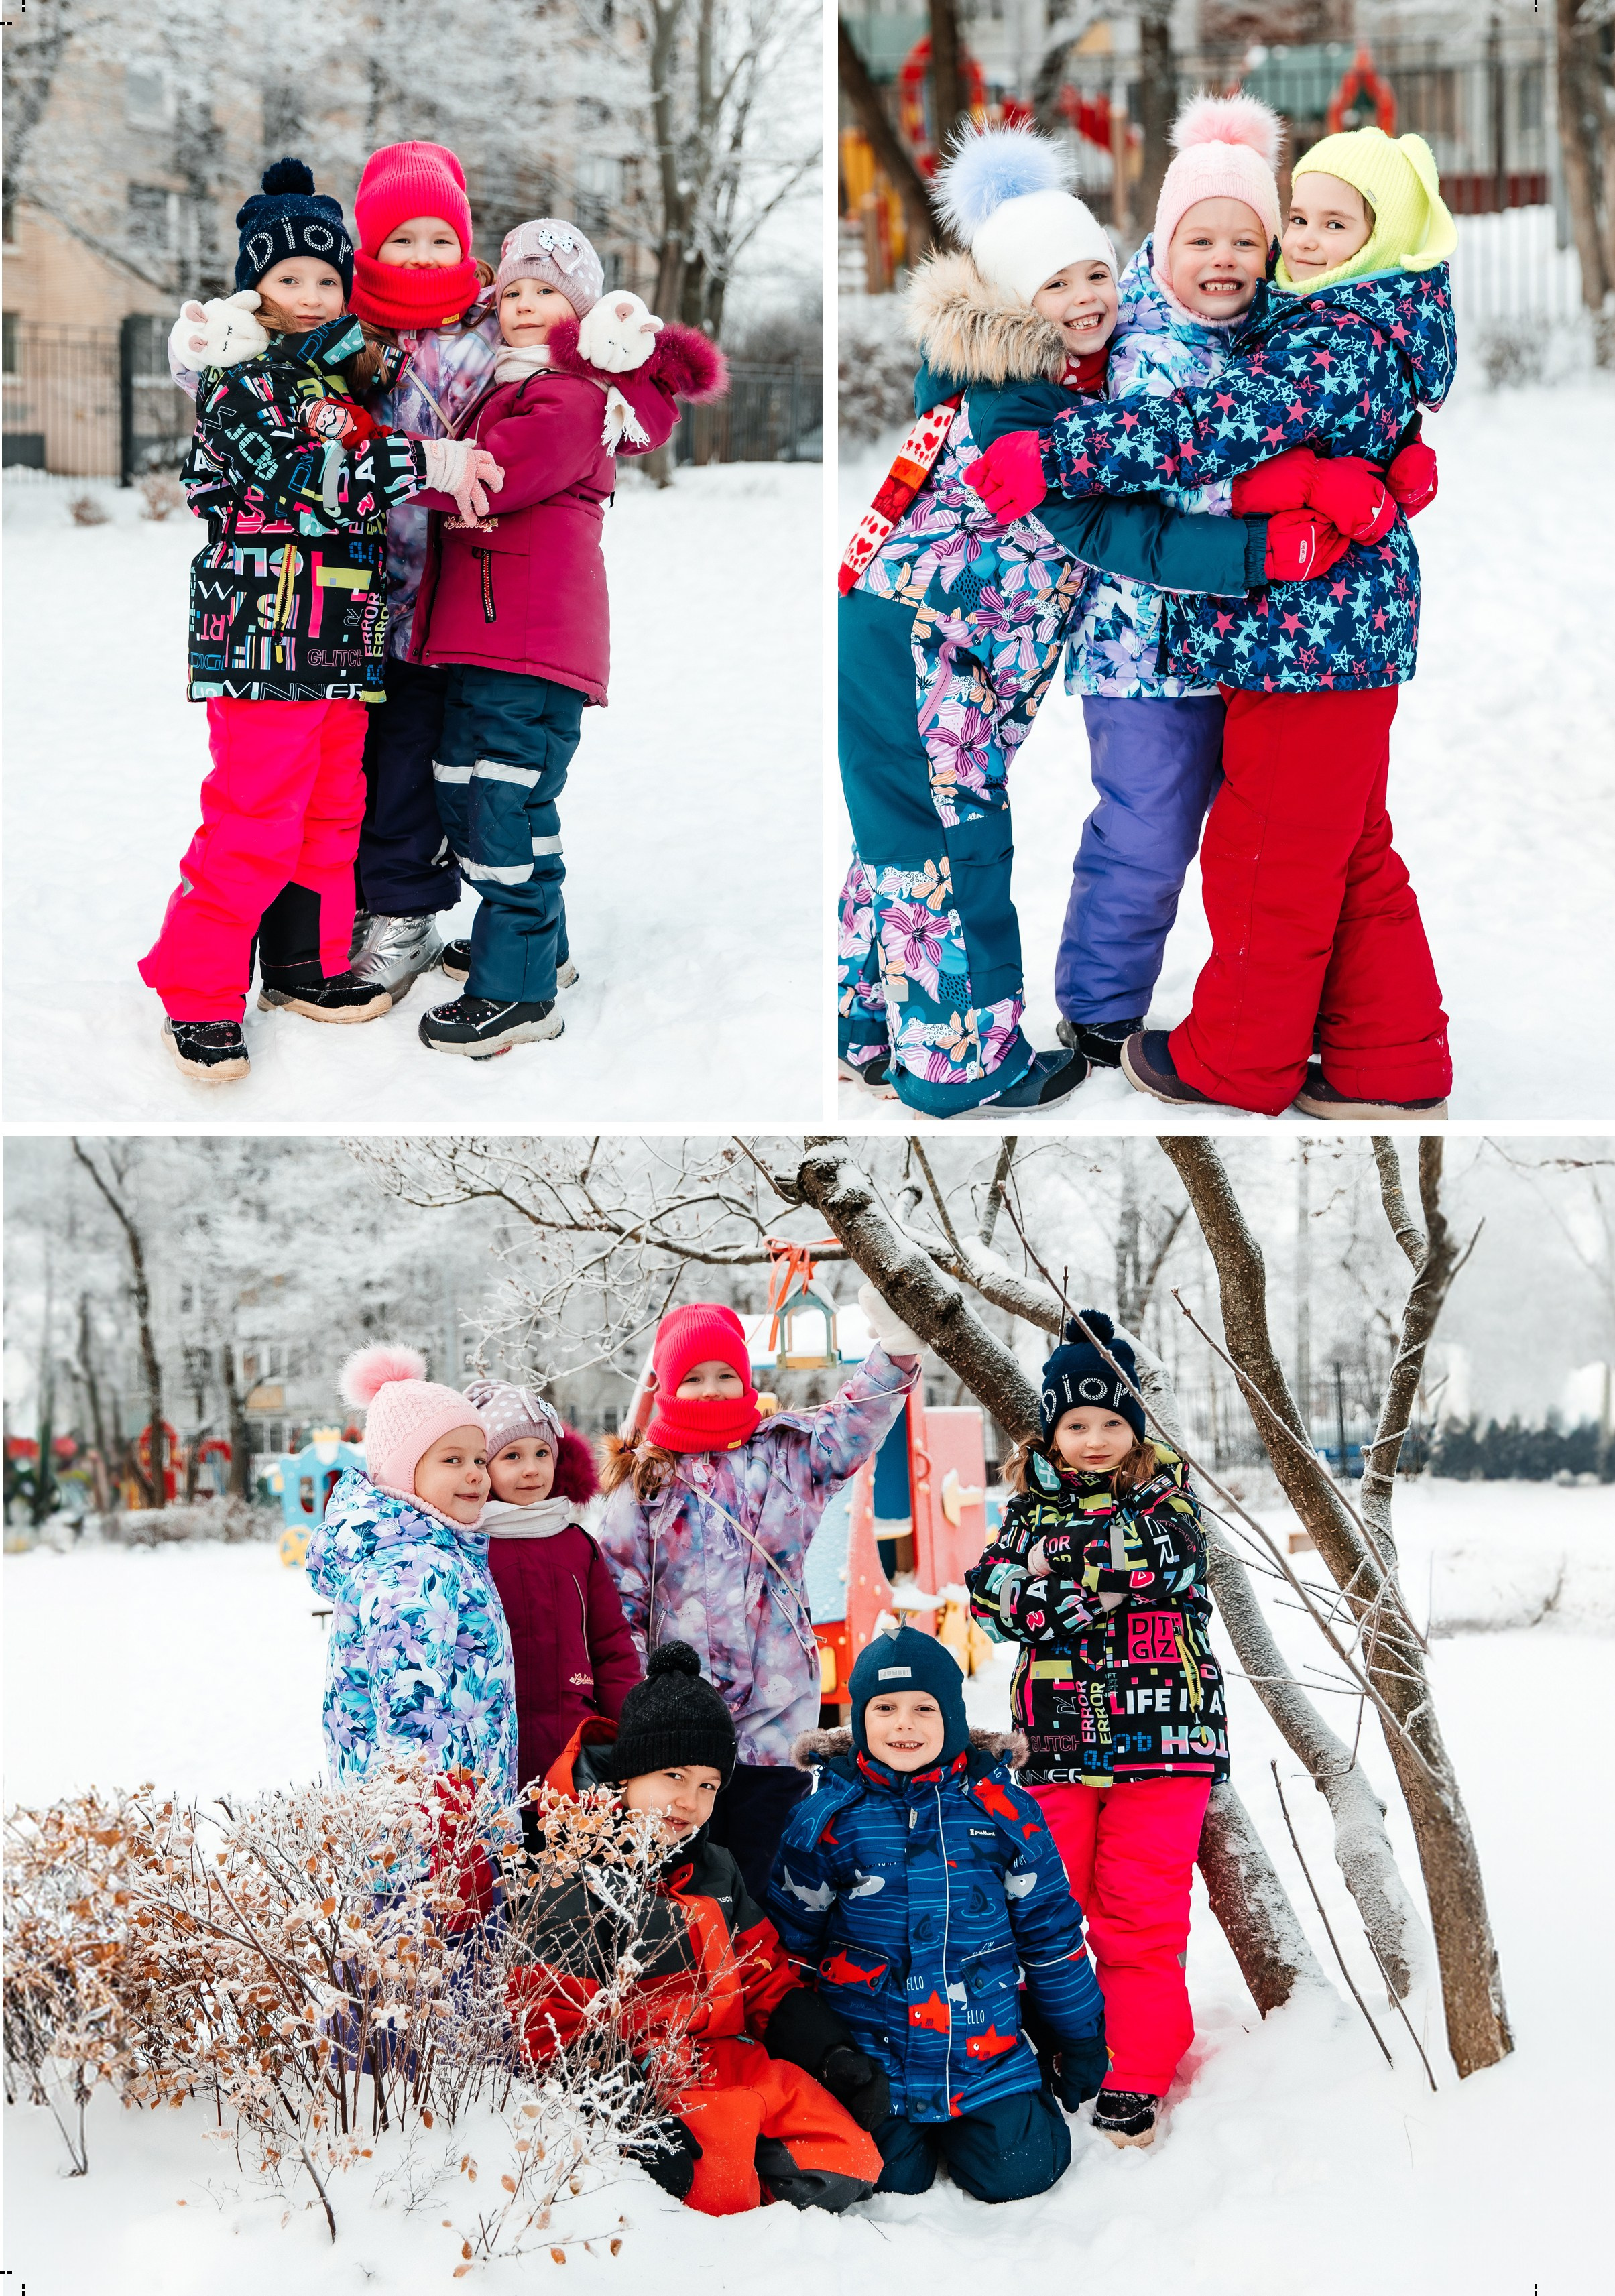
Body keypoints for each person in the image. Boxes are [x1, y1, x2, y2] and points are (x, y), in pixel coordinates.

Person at [837, 123, 1346, 1117]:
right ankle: (961, 1065)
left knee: (899, 836)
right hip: (920, 642)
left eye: (1095, 275)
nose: (1085, 300)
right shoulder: (1005, 408)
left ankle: (871, 1025)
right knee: (948, 844)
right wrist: (1250, 556)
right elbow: (1108, 529)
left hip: (946, 648)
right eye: (1054, 286)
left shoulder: (1054, 379)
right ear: (1011, 303)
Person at [971, 125, 1457, 1120]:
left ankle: (1243, 1060)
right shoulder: (1302, 322)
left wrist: (1367, 480)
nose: (1302, 244)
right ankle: (1379, 1061)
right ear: (1160, 244)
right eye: (1305, 222)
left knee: (1272, 852)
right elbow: (1223, 444)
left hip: (1304, 636)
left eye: (1323, 226)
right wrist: (1347, 478)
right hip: (1194, 638)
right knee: (1317, 846)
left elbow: (1230, 428)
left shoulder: (1327, 327)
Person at [143, 158, 499, 1084]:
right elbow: (305, 482)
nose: (308, 296)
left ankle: (306, 965)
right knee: (253, 815)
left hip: (343, 632)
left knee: (333, 808)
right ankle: (198, 992)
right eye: (287, 279)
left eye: (326, 280)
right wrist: (427, 464)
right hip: (262, 633)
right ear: (253, 285)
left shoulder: (335, 381)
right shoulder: (240, 378)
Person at [409, 218, 727, 1057]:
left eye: (544, 291)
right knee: (465, 789)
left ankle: (519, 992)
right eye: (512, 291)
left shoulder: (572, 397)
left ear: (579, 311)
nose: (521, 305)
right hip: (483, 638)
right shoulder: (505, 385)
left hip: (531, 641)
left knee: (503, 799)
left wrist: (401, 471)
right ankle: (533, 941)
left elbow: (493, 479)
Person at [487, 1644, 888, 2216]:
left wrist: (828, 2051)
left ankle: (753, 2154)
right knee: (722, 2190)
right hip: (646, 2075)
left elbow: (762, 1976)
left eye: (707, 1784)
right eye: (673, 1775)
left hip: (731, 2059)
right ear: (627, 1774)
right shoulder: (572, 1877)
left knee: (850, 2161)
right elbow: (553, 2024)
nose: (690, 1800)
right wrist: (635, 2117)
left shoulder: (714, 1867)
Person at [1055, 94, 1285, 1066]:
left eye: (1246, 239)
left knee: (1242, 838)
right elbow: (1168, 481)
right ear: (1162, 244)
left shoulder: (1273, 343)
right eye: (1202, 238)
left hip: (1238, 640)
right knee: (1146, 834)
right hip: (1140, 651)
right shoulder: (1144, 352)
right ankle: (1100, 1005)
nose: (1224, 258)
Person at [965, 1311, 1228, 2150]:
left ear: (1136, 1427)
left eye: (1111, 1421)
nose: (1094, 1439)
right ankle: (1061, 2049)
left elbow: (1173, 1557)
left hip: (1166, 1743)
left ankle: (1139, 2070)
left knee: (1140, 1913)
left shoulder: (1168, 1495)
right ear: (1050, 1427)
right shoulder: (1023, 1507)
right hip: (1055, 1742)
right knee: (1047, 1905)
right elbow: (989, 1600)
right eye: (1076, 1423)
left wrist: (1047, 1573)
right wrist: (1099, 1578)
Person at [768, 1624, 1109, 2203]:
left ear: (951, 1713)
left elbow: (1051, 1935)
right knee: (889, 2178)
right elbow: (790, 1947)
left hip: (982, 2048)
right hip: (874, 2056)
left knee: (1022, 2170)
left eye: (924, 1707)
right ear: (860, 1718)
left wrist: (1078, 2038)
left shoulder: (1003, 1810)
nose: (904, 1723)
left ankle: (1010, 2107)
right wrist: (802, 2057)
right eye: (885, 1707)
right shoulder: (827, 1817)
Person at [598, 1292, 921, 1901]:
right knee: (683, 1878)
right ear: (667, 1387)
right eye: (694, 1378)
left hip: (777, 1714)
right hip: (684, 1721)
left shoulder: (788, 1456)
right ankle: (691, 1989)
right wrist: (639, 1705)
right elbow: (622, 1602)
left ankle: (764, 1985)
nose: (713, 1388)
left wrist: (896, 1350)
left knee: (764, 1866)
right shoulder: (645, 1483)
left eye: (726, 1375)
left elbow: (853, 1424)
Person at [309, 1345, 516, 1798]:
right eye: (453, 1460)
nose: (476, 1474)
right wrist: (436, 1828)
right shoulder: (410, 1568)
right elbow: (410, 1712)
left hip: (454, 1806)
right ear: (402, 1471)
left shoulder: (441, 1550)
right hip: (429, 1826)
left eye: (480, 1459)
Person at [463, 1376, 640, 1795]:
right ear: (482, 1467)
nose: (531, 1469)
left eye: (543, 1453)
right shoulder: (470, 1546)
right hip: (496, 1751)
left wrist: (627, 1731)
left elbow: (612, 1645)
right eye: (511, 1456)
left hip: (573, 1746)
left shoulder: (578, 1546)